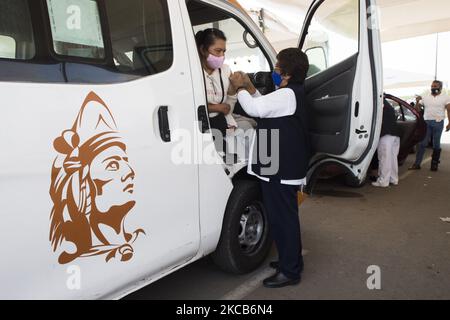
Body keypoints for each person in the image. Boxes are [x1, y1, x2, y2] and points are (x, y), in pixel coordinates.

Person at [230, 48, 311, 288]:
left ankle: (290, 271)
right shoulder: (286, 94)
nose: (274, 71)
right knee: (283, 217)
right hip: (279, 165)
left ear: (286, 72)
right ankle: (291, 261)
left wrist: (241, 86)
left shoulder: (288, 94)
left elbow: (256, 109)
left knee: (284, 219)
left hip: (282, 168)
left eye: (277, 68)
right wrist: (251, 89)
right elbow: (264, 104)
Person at [195, 28, 255, 159]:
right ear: (203, 50)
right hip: (201, 125)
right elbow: (188, 103)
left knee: (246, 129)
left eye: (224, 51)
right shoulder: (193, 71)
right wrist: (215, 107)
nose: (222, 56)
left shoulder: (226, 70)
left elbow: (228, 106)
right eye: (217, 51)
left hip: (221, 121)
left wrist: (234, 89)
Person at [409, 81, 450, 171]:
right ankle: (417, 164)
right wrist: (417, 101)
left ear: (440, 87)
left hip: (438, 123)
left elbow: (449, 110)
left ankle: (434, 164)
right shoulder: (426, 96)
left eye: (435, 86)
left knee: (436, 144)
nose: (433, 87)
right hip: (427, 122)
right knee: (422, 143)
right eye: (432, 86)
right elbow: (417, 109)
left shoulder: (445, 97)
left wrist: (449, 123)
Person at [372, 99, 401, 187]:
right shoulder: (387, 104)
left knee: (384, 158)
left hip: (386, 135)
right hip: (395, 134)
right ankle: (393, 179)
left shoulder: (379, 103)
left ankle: (383, 181)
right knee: (392, 158)